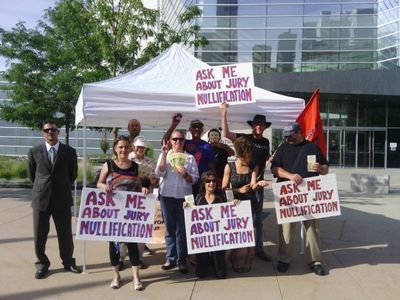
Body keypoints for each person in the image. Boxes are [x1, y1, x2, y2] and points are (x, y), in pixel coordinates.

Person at [271, 122, 329, 276]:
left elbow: (326, 168)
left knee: (313, 228)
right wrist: (290, 176)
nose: (288, 138)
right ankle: (284, 259)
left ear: (299, 132)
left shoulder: (312, 147)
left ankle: (315, 261)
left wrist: (321, 169)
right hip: (288, 195)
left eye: (291, 135)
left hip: (310, 195)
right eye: (286, 136)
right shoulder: (282, 148)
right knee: (286, 229)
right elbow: (274, 168)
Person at [28, 121, 81, 279]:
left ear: (58, 132)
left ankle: (68, 262)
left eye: (53, 130)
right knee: (39, 234)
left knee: (65, 233)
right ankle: (42, 263)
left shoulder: (69, 151)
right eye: (47, 130)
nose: (50, 132)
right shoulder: (34, 151)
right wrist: (43, 187)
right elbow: (32, 175)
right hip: (41, 198)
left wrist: (60, 185)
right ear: (43, 133)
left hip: (62, 198)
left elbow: (73, 174)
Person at [220, 103, 272, 261]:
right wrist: (223, 112)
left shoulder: (265, 142)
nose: (258, 126)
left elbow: (265, 157)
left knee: (257, 219)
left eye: (261, 125)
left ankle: (258, 249)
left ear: (264, 127)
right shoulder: (245, 138)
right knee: (238, 220)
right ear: (252, 126)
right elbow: (226, 133)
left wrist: (271, 158)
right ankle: (236, 250)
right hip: (239, 181)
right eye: (256, 124)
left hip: (256, 182)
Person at [97, 135, 148, 290]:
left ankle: (136, 278)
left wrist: (144, 190)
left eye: (126, 147)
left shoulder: (134, 166)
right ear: (115, 148)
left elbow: (138, 186)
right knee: (114, 245)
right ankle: (116, 276)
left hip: (130, 214)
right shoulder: (109, 165)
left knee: (132, 245)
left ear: (130, 148)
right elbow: (98, 183)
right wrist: (104, 187)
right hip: (113, 212)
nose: (123, 150)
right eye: (120, 147)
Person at [221, 137, 268, 273]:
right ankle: (234, 256)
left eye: (249, 156)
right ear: (239, 155)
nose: (248, 160)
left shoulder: (254, 166)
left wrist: (258, 185)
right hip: (235, 204)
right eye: (245, 157)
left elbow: (253, 185)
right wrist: (238, 191)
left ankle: (249, 257)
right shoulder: (229, 167)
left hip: (250, 203)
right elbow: (224, 188)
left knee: (251, 232)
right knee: (237, 234)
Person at [156, 130, 199, 273]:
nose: (178, 142)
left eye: (181, 139)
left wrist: (186, 174)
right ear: (170, 141)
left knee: (183, 230)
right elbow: (159, 173)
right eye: (175, 139)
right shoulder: (165, 156)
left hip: (185, 198)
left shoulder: (190, 158)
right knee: (169, 229)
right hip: (166, 196)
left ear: (184, 141)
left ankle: (182, 260)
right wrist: (163, 154)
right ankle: (170, 258)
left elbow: (195, 179)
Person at [184, 170, 228, 279]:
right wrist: (186, 206)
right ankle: (205, 262)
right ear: (203, 183)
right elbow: (192, 217)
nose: (211, 183)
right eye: (208, 181)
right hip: (203, 238)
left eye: (214, 181)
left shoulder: (221, 197)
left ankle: (217, 263)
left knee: (221, 274)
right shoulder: (198, 198)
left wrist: (234, 204)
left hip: (218, 237)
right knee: (201, 274)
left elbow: (229, 213)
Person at [162, 114, 215, 196]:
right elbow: (164, 142)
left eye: (199, 127)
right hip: (184, 184)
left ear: (202, 130)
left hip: (201, 184)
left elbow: (211, 166)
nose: (197, 129)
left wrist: (213, 180)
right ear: (190, 129)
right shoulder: (184, 142)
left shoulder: (207, 146)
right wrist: (173, 125)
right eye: (194, 127)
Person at [129, 136, 158, 258]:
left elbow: (154, 180)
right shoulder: (129, 158)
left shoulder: (150, 162)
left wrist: (153, 181)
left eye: (142, 147)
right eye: (138, 147)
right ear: (134, 147)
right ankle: (126, 248)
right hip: (130, 193)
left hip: (146, 194)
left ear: (145, 149)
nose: (140, 149)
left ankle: (140, 252)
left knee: (142, 222)